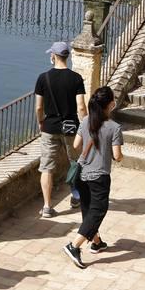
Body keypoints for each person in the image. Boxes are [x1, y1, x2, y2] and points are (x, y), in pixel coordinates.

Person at [63, 86, 123, 269]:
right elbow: (117, 156)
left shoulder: (86, 121)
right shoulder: (114, 128)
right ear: (111, 104)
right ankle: (74, 246)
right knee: (98, 210)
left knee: (88, 209)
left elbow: (75, 145)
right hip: (99, 176)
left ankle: (96, 242)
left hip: (82, 174)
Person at [34, 41, 87, 218]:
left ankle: (48, 207)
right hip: (71, 128)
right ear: (68, 56)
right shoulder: (76, 78)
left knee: (47, 167)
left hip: (49, 127)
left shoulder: (43, 78)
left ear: (53, 56)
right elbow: (81, 107)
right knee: (76, 162)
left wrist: (41, 122)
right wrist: (85, 125)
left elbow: (39, 108)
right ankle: (76, 197)